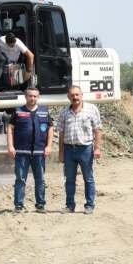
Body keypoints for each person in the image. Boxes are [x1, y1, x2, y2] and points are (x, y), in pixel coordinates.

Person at [57, 85, 103, 214]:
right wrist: (61, 153)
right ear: (68, 97)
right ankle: (69, 206)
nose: (75, 97)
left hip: (86, 149)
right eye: (72, 95)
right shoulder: (64, 112)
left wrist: (97, 148)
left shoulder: (92, 109)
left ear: (82, 95)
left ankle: (89, 205)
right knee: (69, 179)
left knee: (88, 178)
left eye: (77, 95)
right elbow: (61, 134)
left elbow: (98, 130)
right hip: (69, 150)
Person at [7, 87, 53, 212]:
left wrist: (49, 146)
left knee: (40, 179)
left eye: (35, 96)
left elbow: (50, 128)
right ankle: (19, 205)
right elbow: (10, 129)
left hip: (39, 152)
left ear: (38, 97)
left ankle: (40, 205)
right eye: (30, 96)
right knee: (21, 179)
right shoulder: (18, 111)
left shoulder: (44, 111)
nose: (32, 98)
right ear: (25, 96)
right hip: (22, 152)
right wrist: (10, 146)